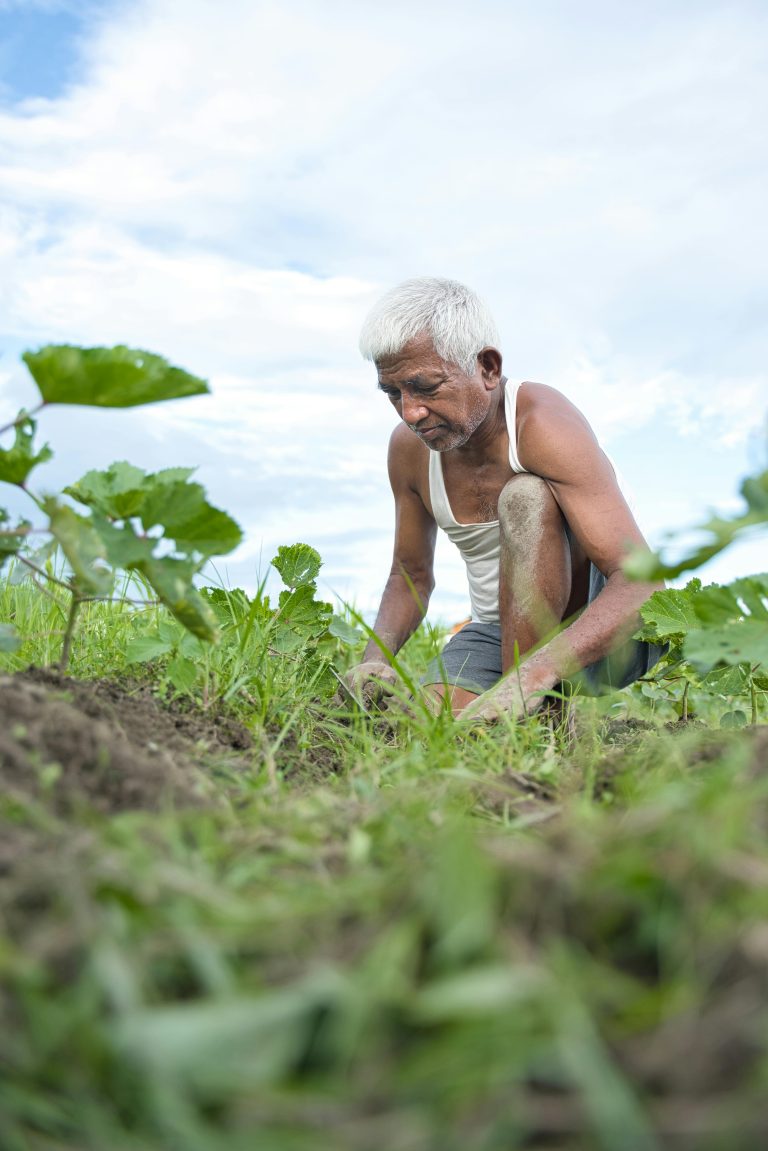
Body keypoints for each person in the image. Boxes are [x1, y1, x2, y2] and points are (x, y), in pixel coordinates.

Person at [345, 277, 663, 722]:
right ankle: (523, 706)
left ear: (488, 369)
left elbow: (641, 583)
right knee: (425, 725)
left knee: (525, 497)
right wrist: (373, 659)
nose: (410, 411)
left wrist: (533, 675)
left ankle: (537, 710)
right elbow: (410, 576)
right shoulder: (408, 451)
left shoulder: (541, 423)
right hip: (497, 633)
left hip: (601, 627)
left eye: (427, 388)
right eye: (394, 393)